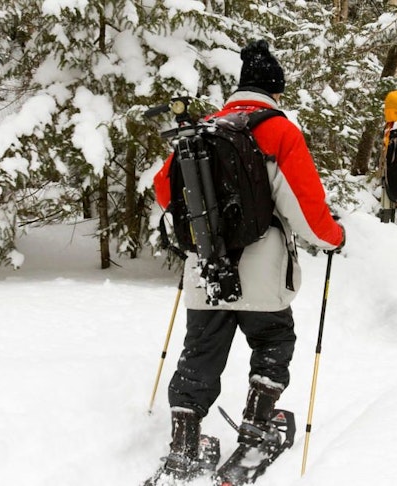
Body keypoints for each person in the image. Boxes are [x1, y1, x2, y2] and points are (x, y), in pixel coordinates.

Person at [149, 39, 345, 482]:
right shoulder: (279, 131)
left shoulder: (202, 130)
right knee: (274, 343)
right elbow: (305, 208)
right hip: (262, 271)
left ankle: (184, 444)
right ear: (275, 91)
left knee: (200, 354)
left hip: (205, 269)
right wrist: (333, 238)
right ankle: (257, 429)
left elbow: (166, 191)